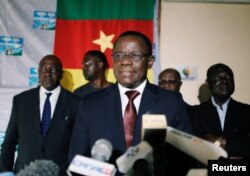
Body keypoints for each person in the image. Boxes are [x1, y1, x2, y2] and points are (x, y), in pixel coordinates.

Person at [69, 31, 193, 176]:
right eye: (119, 55)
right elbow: (77, 160)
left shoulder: (172, 103)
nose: (125, 61)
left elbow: (186, 159)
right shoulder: (89, 104)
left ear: (150, 62)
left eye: (134, 55)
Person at [0, 55, 80, 175]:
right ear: (38, 72)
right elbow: (9, 142)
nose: (47, 73)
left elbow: (79, 145)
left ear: (61, 74)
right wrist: (5, 171)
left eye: (53, 69)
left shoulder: (76, 103)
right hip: (25, 171)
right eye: (44, 69)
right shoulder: (21, 100)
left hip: (59, 172)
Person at [191, 63, 250, 159]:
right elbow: (195, 146)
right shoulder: (195, 113)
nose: (224, 81)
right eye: (217, 78)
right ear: (208, 82)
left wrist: (222, 142)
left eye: (228, 77)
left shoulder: (246, 111)